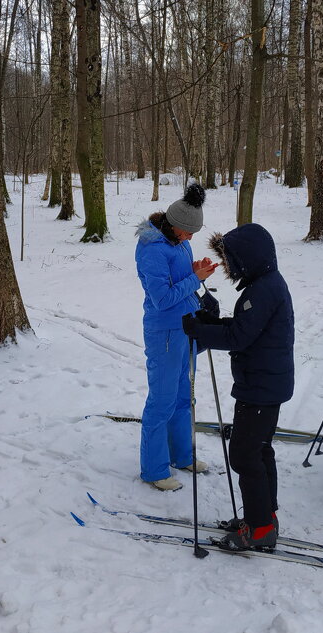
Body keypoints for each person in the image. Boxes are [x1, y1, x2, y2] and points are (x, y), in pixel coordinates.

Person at [181, 223, 293, 551]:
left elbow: (239, 337)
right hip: (265, 383)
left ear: (250, 258)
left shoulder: (262, 291)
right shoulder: (267, 284)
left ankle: (259, 530)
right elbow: (245, 328)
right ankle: (264, 518)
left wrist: (200, 331)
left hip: (260, 386)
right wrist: (210, 324)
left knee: (245, 456)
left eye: (231, 260)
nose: (228, 267)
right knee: (259, 451)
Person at [135, 182, 218, 491]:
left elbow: (180, 279)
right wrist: (194, 279)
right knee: (162, 401)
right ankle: (154, 470)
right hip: (165, 331)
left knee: (185, 396)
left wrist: (195, 271)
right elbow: (161, 297)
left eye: (193, 235)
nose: (191, 239)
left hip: (187, 325)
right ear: (172, 226)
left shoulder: (179, 241)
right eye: (187, 233)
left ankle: (182, 454)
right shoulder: (152, 249)